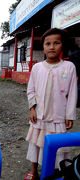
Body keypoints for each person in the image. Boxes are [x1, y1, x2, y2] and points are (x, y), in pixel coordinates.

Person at [24, 28, 77, 180]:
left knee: (58, 150)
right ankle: (34, 172)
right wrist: (32, 108)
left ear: (62, 45)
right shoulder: (37, 67)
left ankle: (55, 173)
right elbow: (31, 90)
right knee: (35, 144)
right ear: (44, 47)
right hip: (39, 116)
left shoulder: (69, 67)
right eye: (48, 43)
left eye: (56, 43)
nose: (52, 47)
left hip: (58, 117)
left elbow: (72, 93)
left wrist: (69, 115)